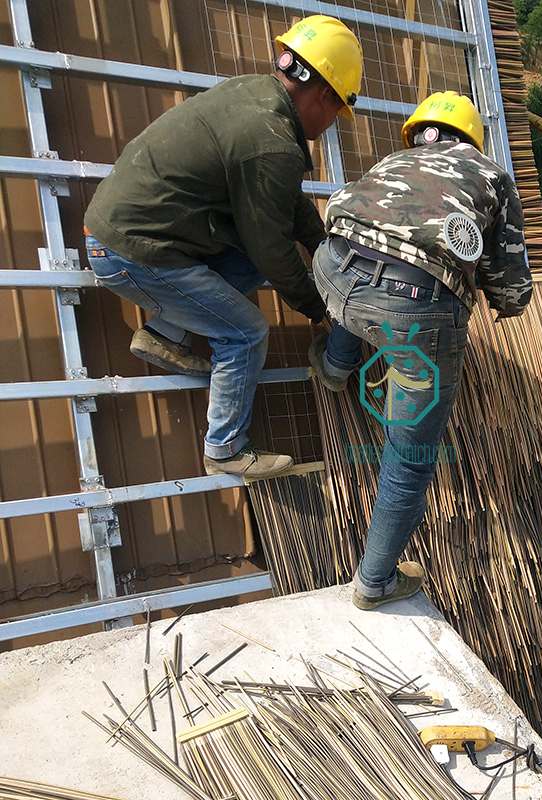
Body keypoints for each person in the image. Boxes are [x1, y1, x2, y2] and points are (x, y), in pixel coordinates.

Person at [83, 15, 363, 482]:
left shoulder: (253, 98)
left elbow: (284, 202)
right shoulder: (271, 141)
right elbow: (272, 248)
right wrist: (322, 308)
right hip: (133, 252)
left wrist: (323, 243)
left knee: (252, 262)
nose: (333, 125)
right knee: (246, 333)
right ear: (324, 95)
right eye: (338, 114)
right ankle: (225, 450)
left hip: (132, 238)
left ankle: (164, 333)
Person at [309, 91, 532, 610]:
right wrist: (499, 298)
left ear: (420, 132)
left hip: (330, 267)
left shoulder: (396, 159)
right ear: (471, 139)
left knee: (360, 294)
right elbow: (511, 283)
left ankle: (336, 366)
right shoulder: (492, 177)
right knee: (408, 461)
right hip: (414, 308)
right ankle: (375, 582)